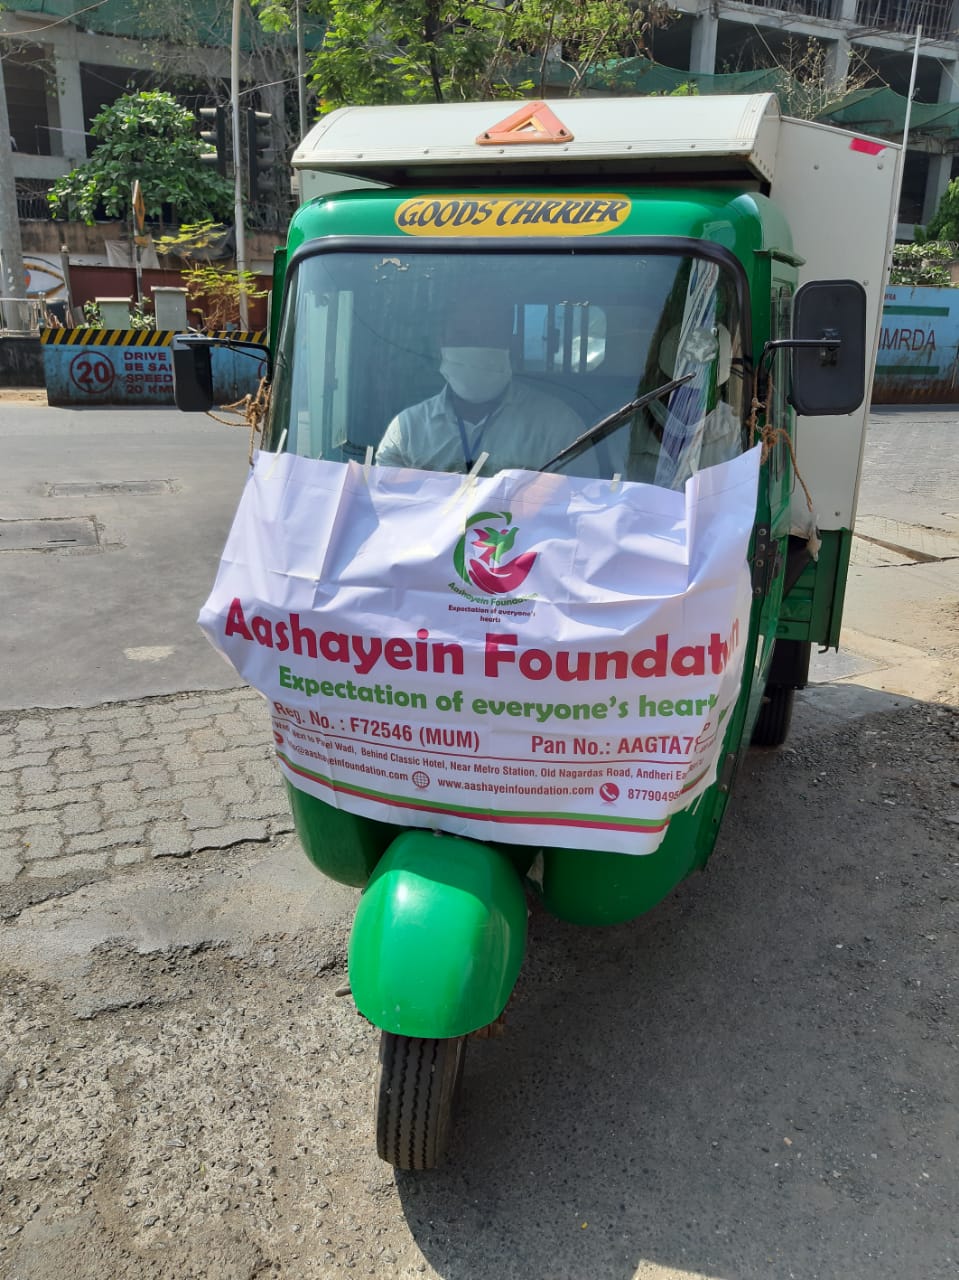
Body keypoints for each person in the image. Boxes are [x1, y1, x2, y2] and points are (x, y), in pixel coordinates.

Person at [375, 301, 585, 476]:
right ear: (441, 343)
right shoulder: (407, 430)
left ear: (510, 345)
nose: (476, 347)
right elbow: (386, 503)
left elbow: (579, 505)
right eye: (463, 337)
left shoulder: (559, 427)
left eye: (490, 336)